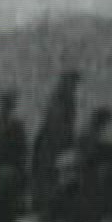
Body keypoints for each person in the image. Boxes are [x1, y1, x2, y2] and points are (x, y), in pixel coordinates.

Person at [31, 70, 81, 210]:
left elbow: (67, 123)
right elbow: (56, 121)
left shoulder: (67, 99)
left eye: (74, 83)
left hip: (58, 142)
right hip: (52, 143)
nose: (73, 86)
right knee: (49, 173)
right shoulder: (59, 98)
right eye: (71, 82)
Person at [0, 88, 29, 180]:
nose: (4, 109)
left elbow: (22, 147)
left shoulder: (17, 125)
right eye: (2, 106)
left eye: (7, 106)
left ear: (11, 108)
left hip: (10, 163)